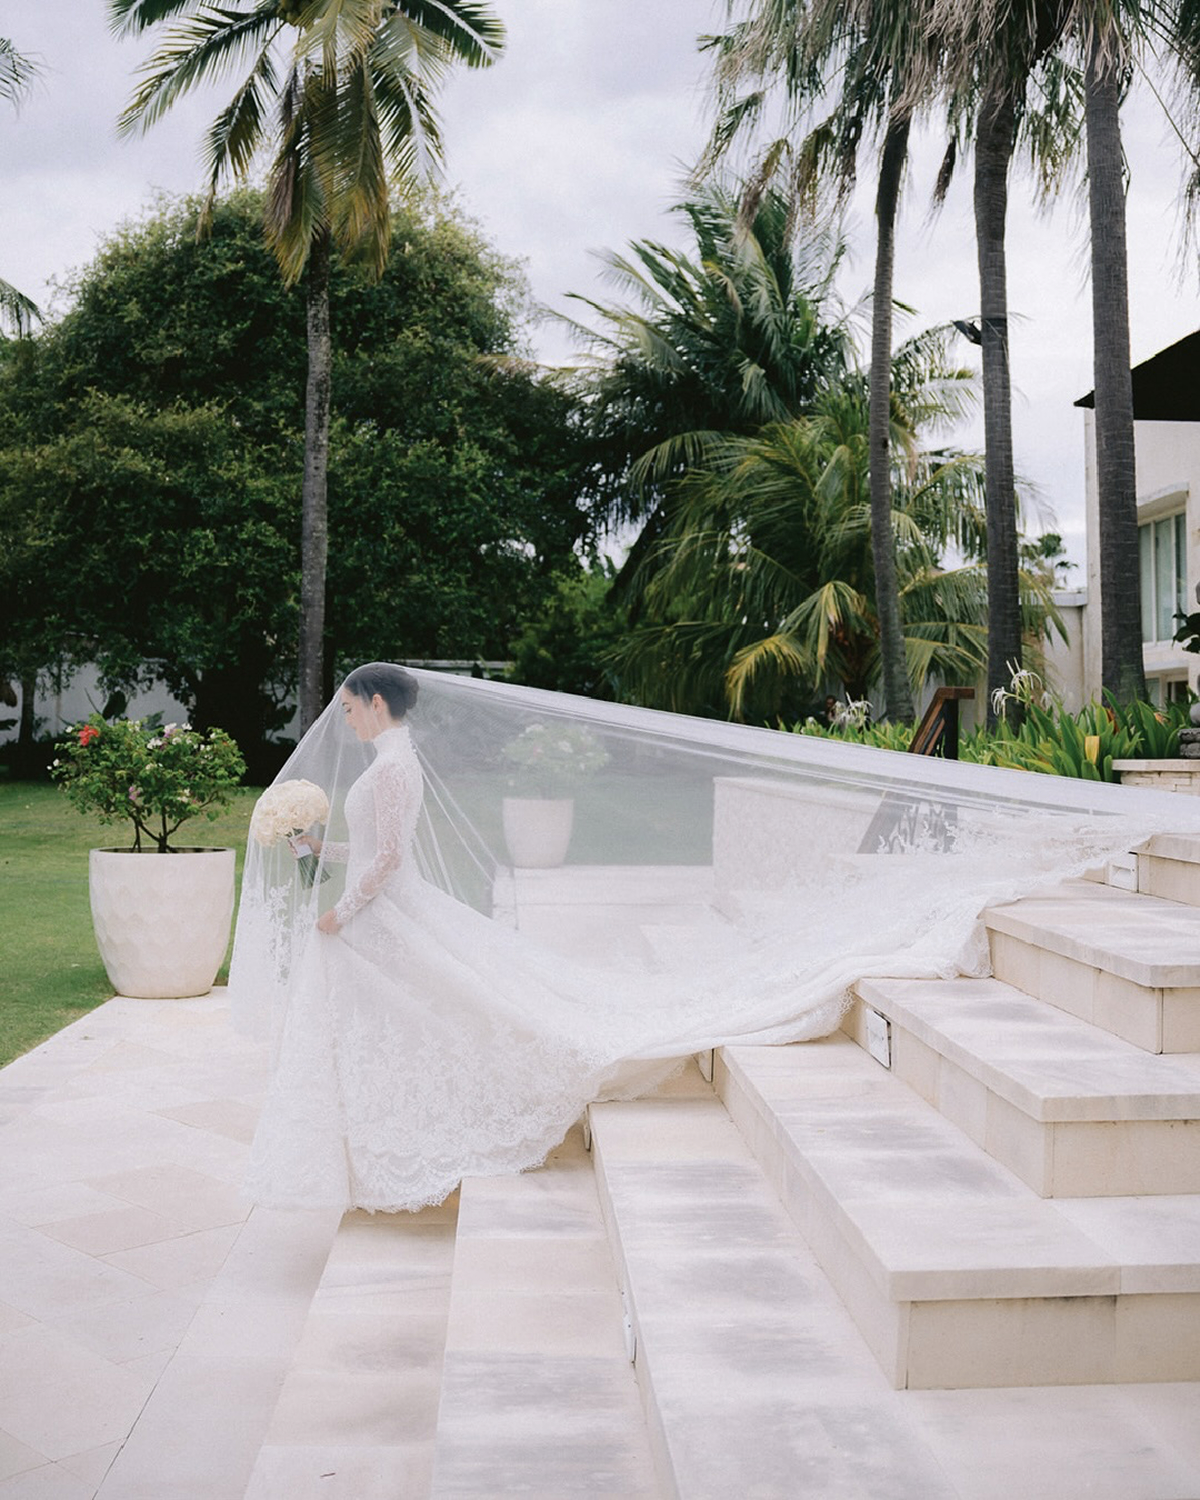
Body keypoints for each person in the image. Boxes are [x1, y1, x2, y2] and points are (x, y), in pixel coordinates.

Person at [230, 662, 1189, 1214]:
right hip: (387, 916)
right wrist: (322, 850)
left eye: (349, 706)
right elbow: (377, 853)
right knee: (418, 1020)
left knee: (447, 1014)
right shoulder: (393, 762)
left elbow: (389, 863)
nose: (343, 718)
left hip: (384, 916)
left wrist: (340, 910)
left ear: (376, 705)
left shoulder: (393, 766)